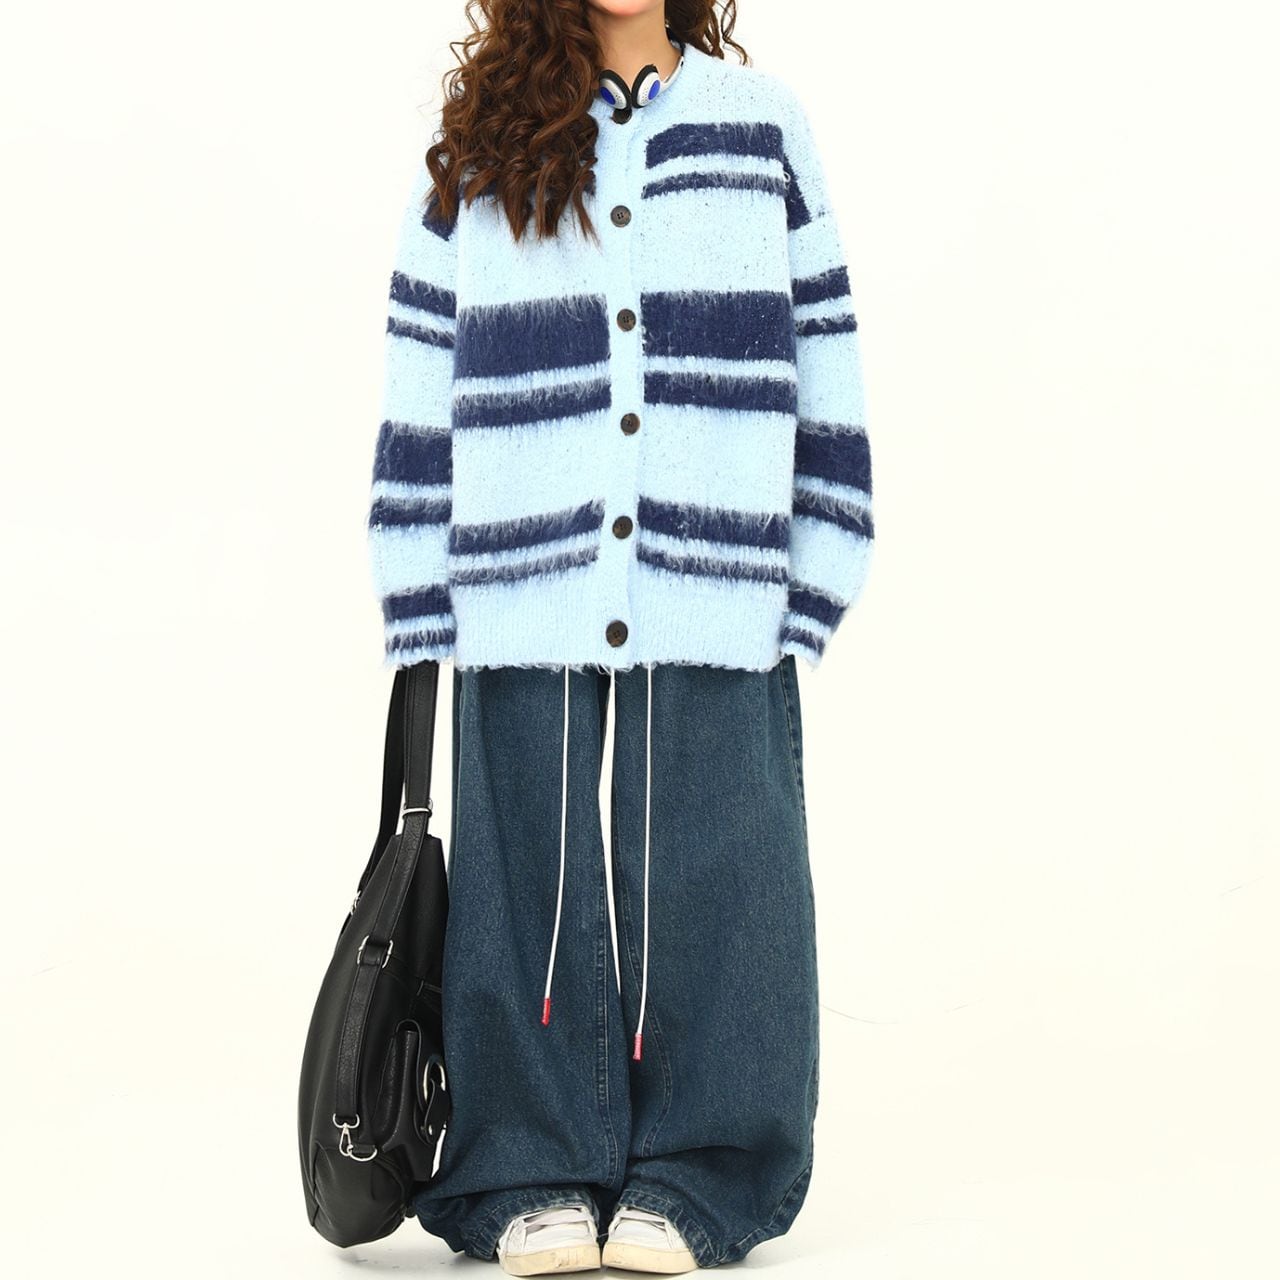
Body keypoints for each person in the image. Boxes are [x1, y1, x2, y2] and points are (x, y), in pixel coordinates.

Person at [364, 0, 873, 1272]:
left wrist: (818, 560)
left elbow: (823, 343)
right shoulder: (482, 142)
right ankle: (525, 1164)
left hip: (718, 573)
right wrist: (416, 587)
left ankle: (704, 1170)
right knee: (523, 884)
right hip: (521, 577)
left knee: (722, 874)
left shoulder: (760, 129)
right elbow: (422, 357)